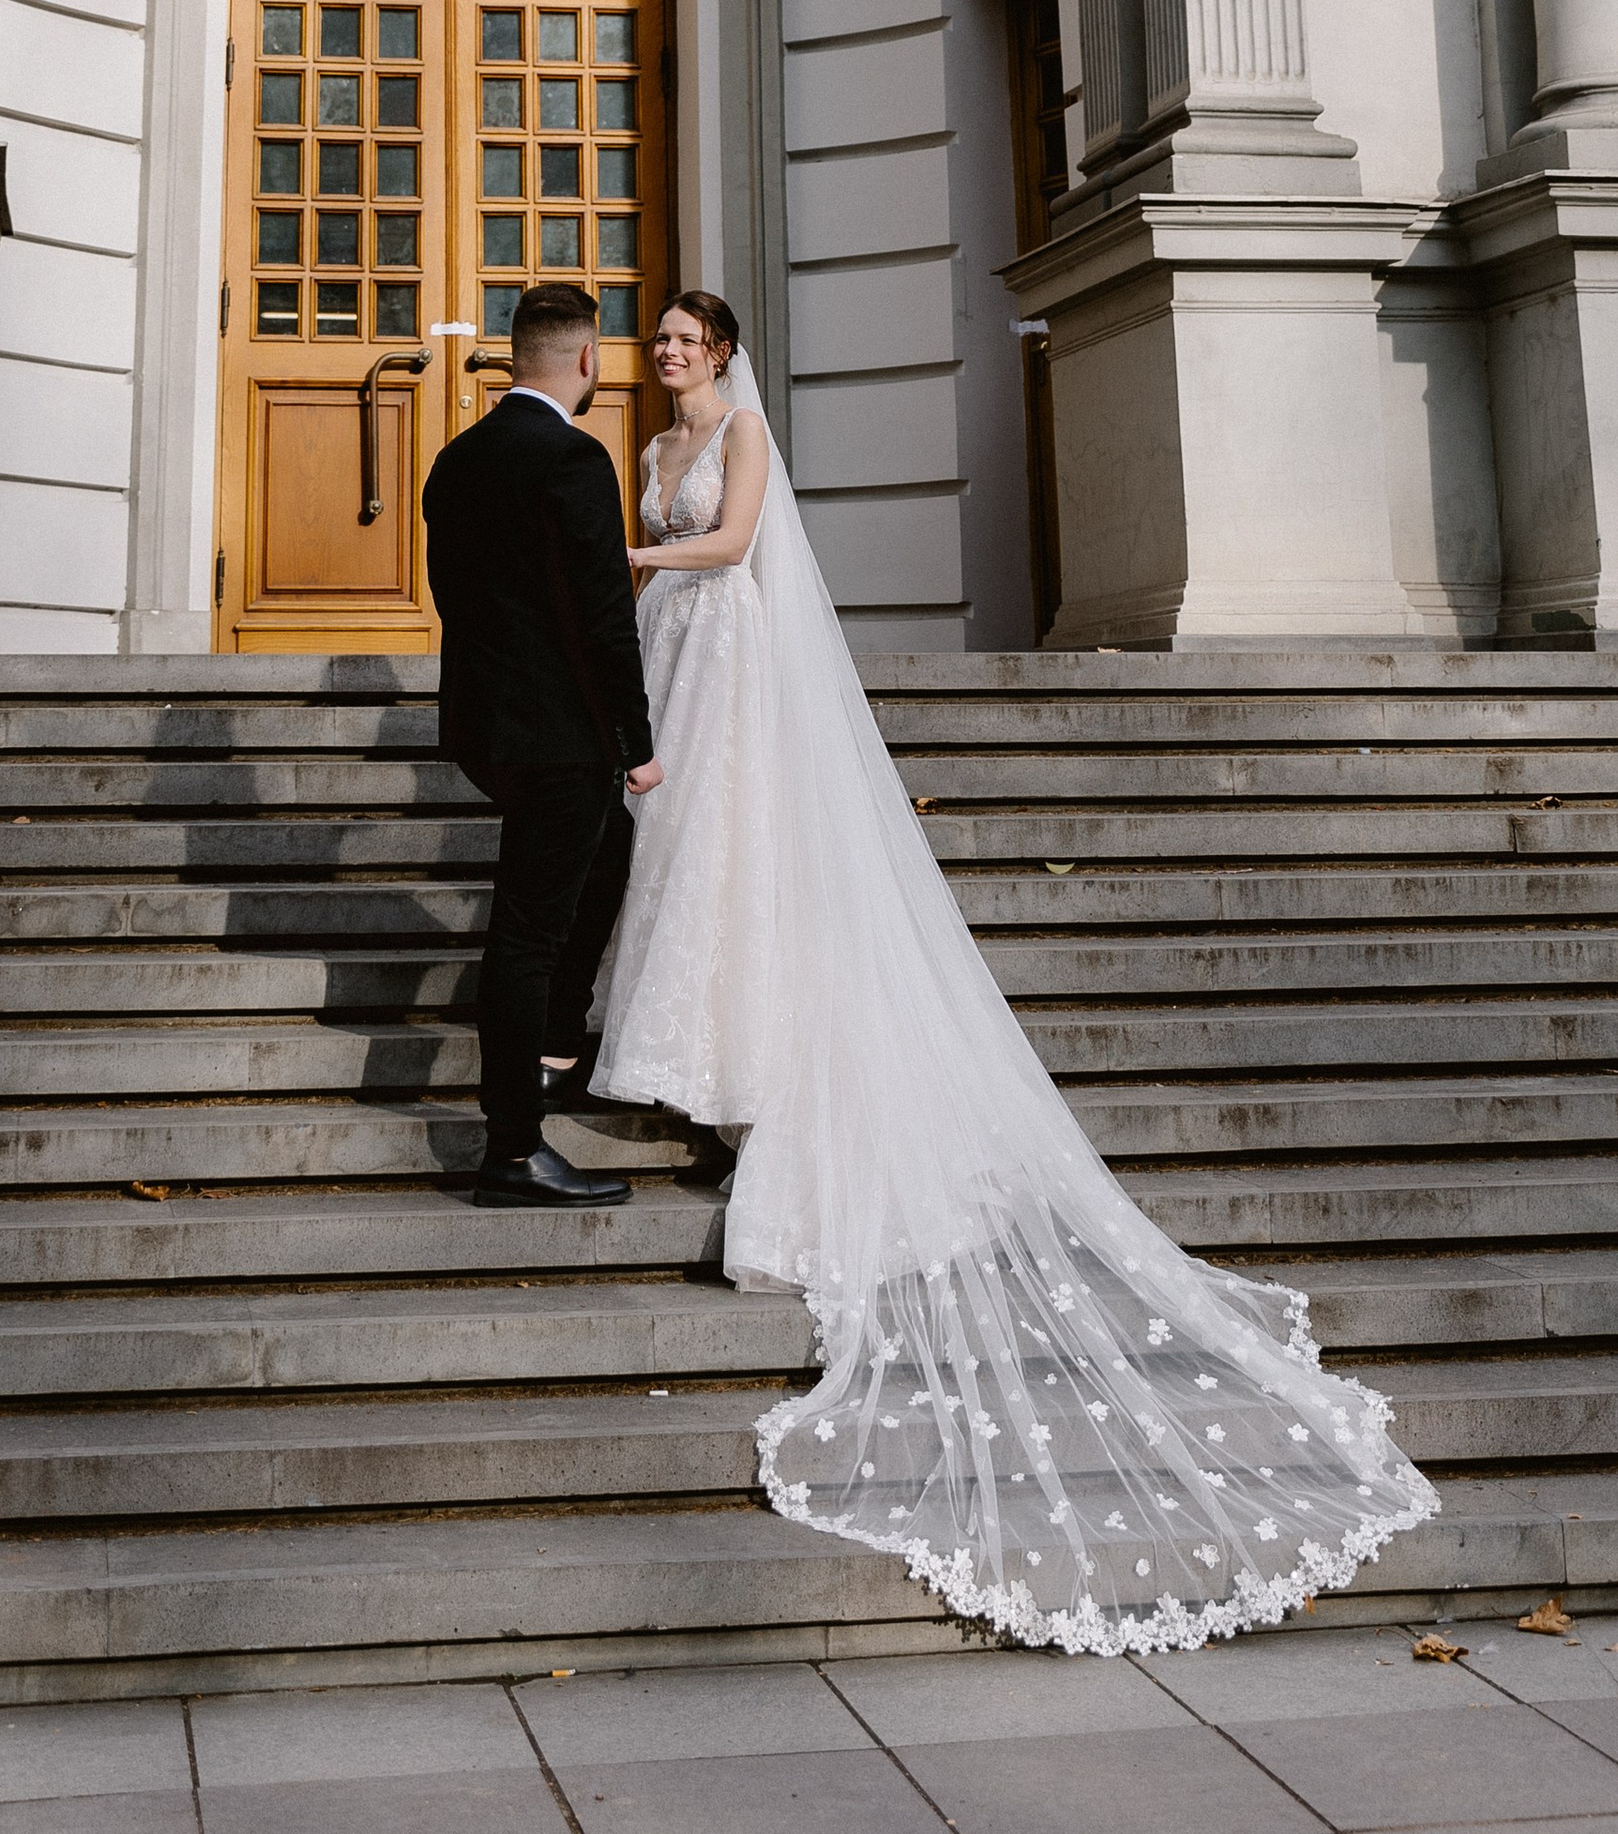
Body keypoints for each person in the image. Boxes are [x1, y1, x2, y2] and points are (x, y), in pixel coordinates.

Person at [589, 289, 1439, 1656]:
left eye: (690, 339)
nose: (673, 354)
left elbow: (738, 544)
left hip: (732, 653)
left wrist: (612, 550)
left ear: (726, 352)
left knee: (729, 848)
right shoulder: (647, 445)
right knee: (672, 854)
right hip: (671, 652)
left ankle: (742, 1065)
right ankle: (684, 1059)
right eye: (665, 342)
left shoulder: (738, 436)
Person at [423, 277, 660, 1209]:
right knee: (525, 933)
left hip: (491, 725)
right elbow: (606, 615)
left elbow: (456, 598)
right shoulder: (574, 457)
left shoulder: (455, 457)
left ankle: (559, 1041)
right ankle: (513, 1148)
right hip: (560, 731)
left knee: (611, 850)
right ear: (588, 358)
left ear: (514, 353)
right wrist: (633, 737)